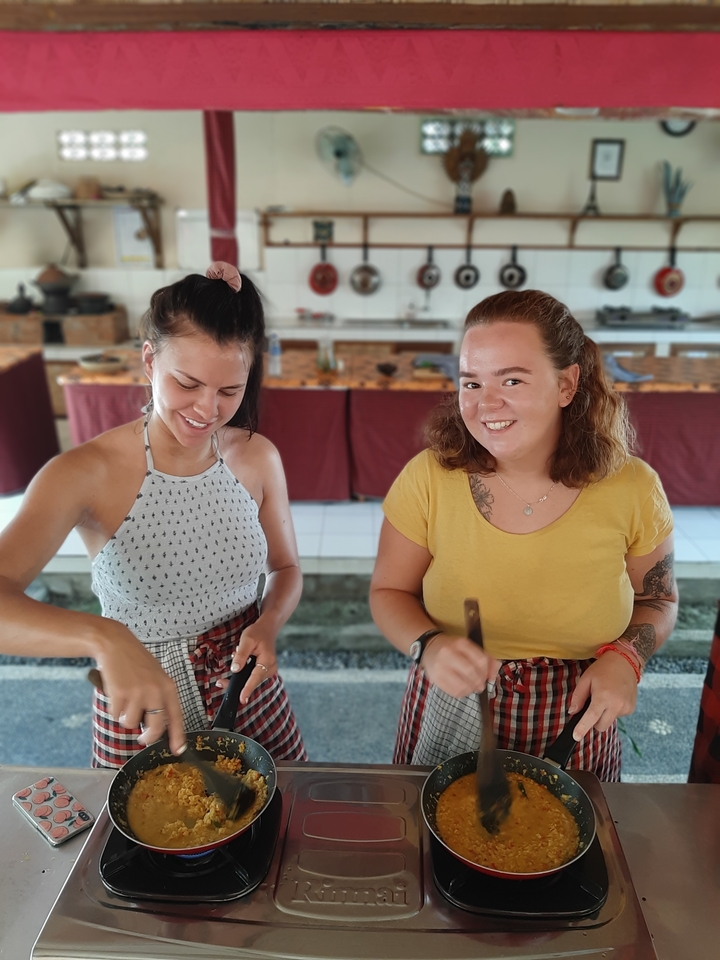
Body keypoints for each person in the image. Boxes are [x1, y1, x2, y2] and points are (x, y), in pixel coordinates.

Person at [0, 262, 306, 766]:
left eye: (230, 391)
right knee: (149, 841)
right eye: (187, 383)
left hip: (248, 687)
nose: (207, 410)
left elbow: (286, 568)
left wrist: (269, 622)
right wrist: (104, 637)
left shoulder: (256, 457)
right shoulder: (86, 472)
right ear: (149, 361)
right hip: (142, 708)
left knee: (277, 828)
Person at [370, 289, 678, 781]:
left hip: (578, 709)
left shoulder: (633, 486)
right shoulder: (429, 476)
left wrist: (627, 659)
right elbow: (389, 592)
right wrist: (428, 645)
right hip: (455, 699)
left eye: (511, 379)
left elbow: (659, 599)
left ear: (566, 384)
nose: (486, 403)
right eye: (471, 383)